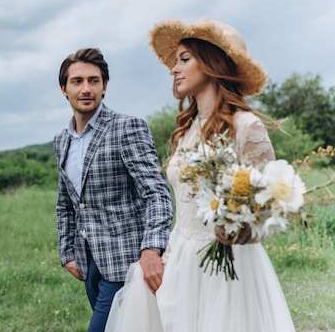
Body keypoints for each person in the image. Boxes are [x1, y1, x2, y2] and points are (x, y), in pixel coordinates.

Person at [109, 18, 296, 331]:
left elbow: (270, 209)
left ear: (212, 63)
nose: (174, 69)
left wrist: (240, 229)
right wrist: (165, 256)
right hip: (181, 257)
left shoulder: (246, 127)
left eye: (184, 60)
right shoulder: (187, 129)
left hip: (227, 271)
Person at [54, 47, 174, 332]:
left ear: (104, 86)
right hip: (89, 262)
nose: (86, 88)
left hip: (127, 259)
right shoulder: (62, 140)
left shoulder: (127, 128)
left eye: (94, 81)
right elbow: (66, 203)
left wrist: (151, 248)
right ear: (64, 89)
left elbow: (156, 191)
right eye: (77, 81)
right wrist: (67, 251)